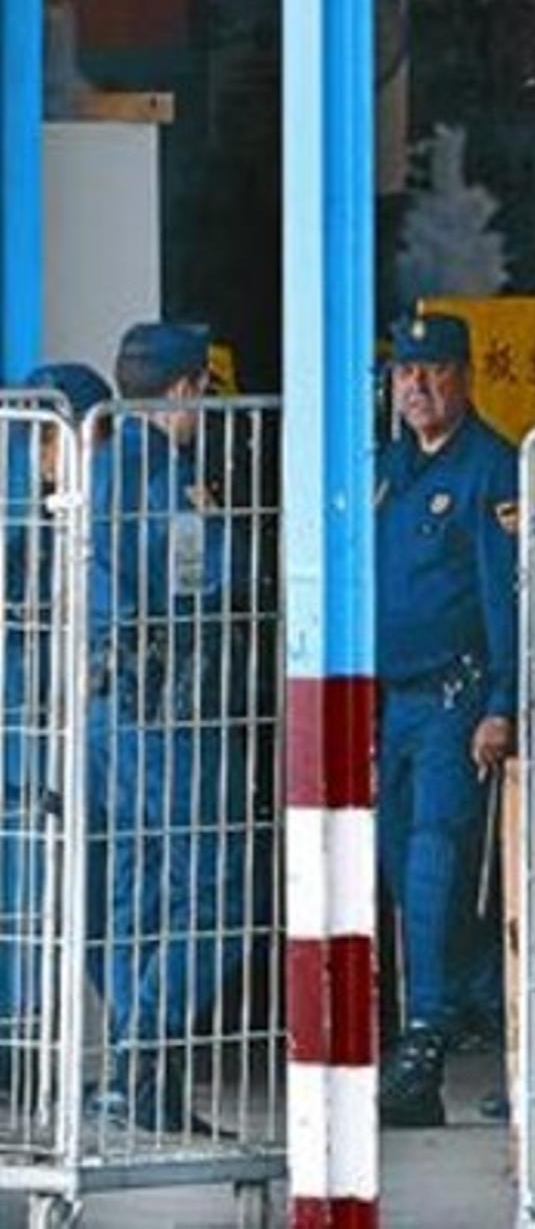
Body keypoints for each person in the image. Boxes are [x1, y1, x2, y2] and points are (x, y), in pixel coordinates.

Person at [84, 322, 249, 1133]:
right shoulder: (162, 474)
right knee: (224, 883)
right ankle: (144, 1049)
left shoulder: (97, 461)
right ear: (185, 391)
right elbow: (208, 579)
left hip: (107, 710)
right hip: (166, 710)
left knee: (139, 890)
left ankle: (135, 1080)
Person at [375, 312, 517, 1127]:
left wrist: (499, 705)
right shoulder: (388, 469)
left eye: (432, 372)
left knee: (435, 866)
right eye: (404, 374)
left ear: (464, 376)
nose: (417, 387)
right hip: (394, 704)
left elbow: (503, 600)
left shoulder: (489, 469)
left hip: (455, 701)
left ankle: (423, 1047)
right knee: (405, 869)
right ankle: (470, 1004)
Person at [0, 366, 111, 1056]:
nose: (37, 458)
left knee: (99, 902)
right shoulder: (33, 522)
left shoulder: (124, 510)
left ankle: (131, 1059)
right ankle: (36, 1051)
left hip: (104, 732)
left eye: (48, 440)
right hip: (40, 734)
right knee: (50, 903)